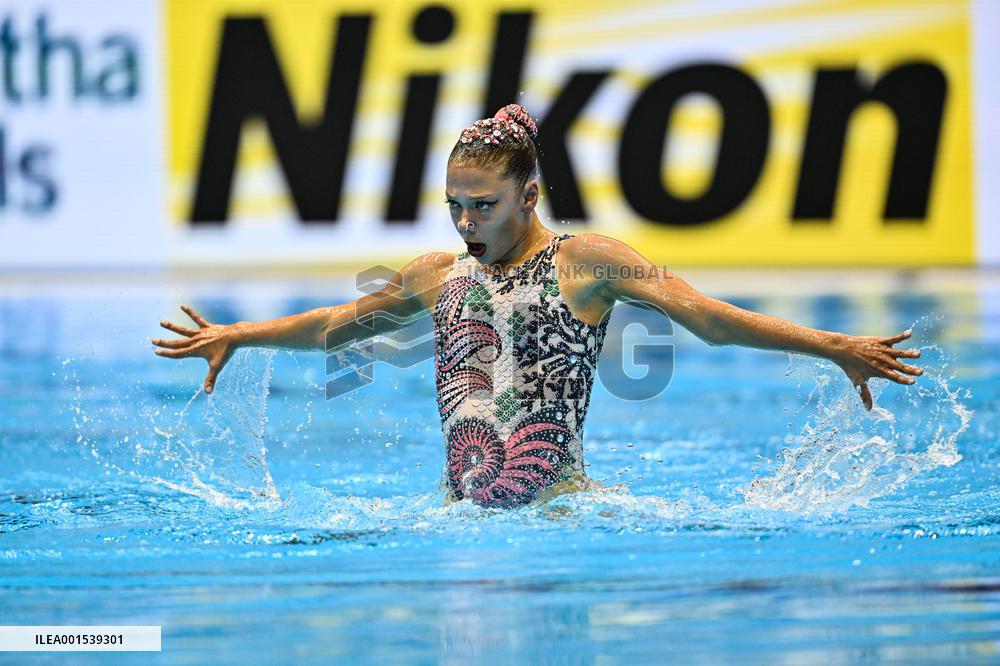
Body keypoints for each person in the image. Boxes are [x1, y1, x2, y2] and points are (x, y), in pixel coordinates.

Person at [152, 103, 923, 509]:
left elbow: (708, 319)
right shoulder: (435, 275)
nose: (465, 222)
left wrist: (835, 346)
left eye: (482, 206)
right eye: (455, 205)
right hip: (455, 522)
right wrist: (239, 334)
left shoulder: (585, 263)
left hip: (561, 517)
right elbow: (331, 328)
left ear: (528, 196)